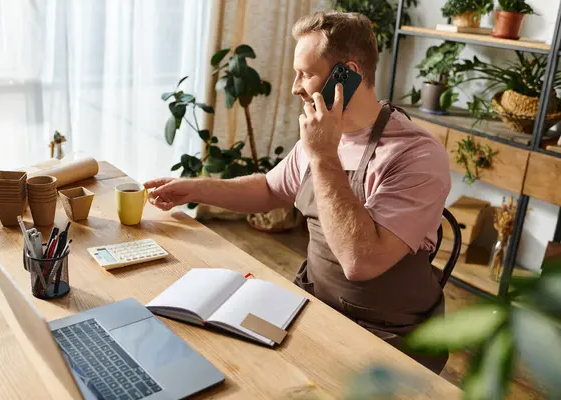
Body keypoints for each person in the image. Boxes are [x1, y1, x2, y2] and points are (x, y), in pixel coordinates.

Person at [144, 11, 451, 373]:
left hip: (391, 336)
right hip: (314, 305)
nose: (294, 87)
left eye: (305, 73)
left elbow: (360, 261)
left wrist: (323, 155)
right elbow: (270, 189)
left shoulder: (415, 154)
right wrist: (193, 189)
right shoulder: (320, 135)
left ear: (347, 76)